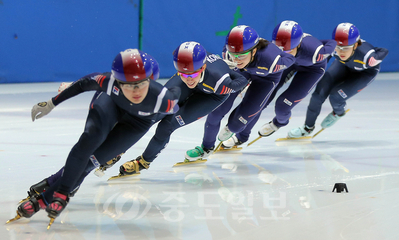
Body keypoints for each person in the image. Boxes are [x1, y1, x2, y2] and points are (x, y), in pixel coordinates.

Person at [8, 49, 181, 227]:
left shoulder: (164, 101)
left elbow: (176, 95)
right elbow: (85, 82)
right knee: (90, 140)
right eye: (127, 84)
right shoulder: (109, 83)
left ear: (150, 80)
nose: (134, 91)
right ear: (118, 81)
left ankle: (44, 198)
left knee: (92, 161)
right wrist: (52, 102)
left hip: (137, 123)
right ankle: (59, 190)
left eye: (140, 84)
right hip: (111, 103)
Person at [117, 41, 249, 177]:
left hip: (211, 95)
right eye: (184, 74)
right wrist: (187, 75)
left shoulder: (221, 81)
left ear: (203, 68)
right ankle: (119, 149)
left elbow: (242, 80)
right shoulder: (186, 70)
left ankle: (143, 162)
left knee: (167, 126)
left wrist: (237, 75)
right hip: (196, 81)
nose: (189, 79)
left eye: (192, 75)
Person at [184, 25, 296, 160]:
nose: (236, 60)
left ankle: (236, 133)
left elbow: (291, 59)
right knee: (216, 112)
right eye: (233, 55)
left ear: (254, 51)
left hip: (266, 79)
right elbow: (234, 59)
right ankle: (206, 147)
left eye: (241, 55)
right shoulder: (228, 53)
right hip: (242, 73)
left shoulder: (272, 61)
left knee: (236, 125)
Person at [221, 20, 337, 147]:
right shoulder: (279, 54)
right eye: (280, 50)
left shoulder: (316, 52)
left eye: (288, 51)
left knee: (283, 105)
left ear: (298, 44)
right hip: (286, 66)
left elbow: (332, 43)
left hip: (311, 70)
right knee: (261, 102)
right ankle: (241, 137)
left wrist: (330, 52)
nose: (283, 53)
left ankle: (279, 123)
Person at [288, 22, 388, 138]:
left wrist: (376, 59)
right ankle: (307, 128)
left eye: (345, 48)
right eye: (338, 48)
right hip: (343, 65)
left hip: (365, 73)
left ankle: (338, 113)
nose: (341, 52)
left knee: (336, 97)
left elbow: (384, 50)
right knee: (318, 95)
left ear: (355, 45)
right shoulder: (332, 49)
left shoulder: (366, 55)